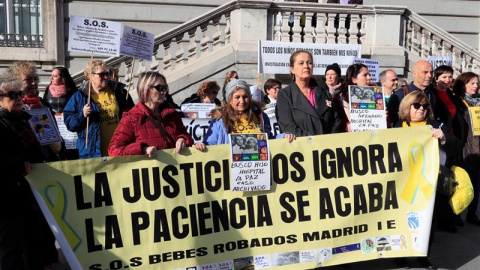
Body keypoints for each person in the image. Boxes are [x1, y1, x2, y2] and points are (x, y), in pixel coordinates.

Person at [394, 91, 461, 269]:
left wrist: (444, 138)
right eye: (417, 106)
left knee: (427, 221)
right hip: (403, 184)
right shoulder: (396, 127)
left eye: (425, 106)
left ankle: (423, 255)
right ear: (406, 107)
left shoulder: (436, 126)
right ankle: (400, 254)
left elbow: (456, 146)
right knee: (401, 220)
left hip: (428, 184)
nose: (421, 109)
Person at [0, 75, 60, 269]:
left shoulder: (24, 119)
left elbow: (35, 152)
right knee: (11, 249)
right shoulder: (2, 124)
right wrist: (20, 165)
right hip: (9, 197)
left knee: (33, 241)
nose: (18, 98)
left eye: (19, 93)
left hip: (30, 194)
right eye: (11, 94)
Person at [108, 71, 194, 157]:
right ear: (146, 89)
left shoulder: (172, 113)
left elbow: (186, 136)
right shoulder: (131, 118)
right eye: (160, 88)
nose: (164, 92)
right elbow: (114, 150)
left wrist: (182, 139)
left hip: (174, 169)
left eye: (165, 88)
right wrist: (143, 149)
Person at [64, 60, 134, 159]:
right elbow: (69, 123)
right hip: (93, 153)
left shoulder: (119, 92)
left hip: (119, 150)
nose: (106, 77)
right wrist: (82, 115)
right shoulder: (80, 96)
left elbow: (133, 115)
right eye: (101, 74)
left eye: (107, 74)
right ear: (90, 75)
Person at [195, 79, 294, 149]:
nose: (242, 101)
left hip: (258, 168)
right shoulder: (220, 119)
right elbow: (210, 144)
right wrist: (201, 146)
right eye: (237, 97)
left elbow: (269, 139)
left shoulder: (261, 116)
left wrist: (284, 136)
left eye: (245, 97)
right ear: (229, 100)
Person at [276, 50, 341, 136]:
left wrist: (328, 142)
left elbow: (336, 121)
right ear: (292, 69)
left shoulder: (324, 92)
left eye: (309, 63)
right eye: (301, 63)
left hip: (327, 146)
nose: (306, 66)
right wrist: (313, 142)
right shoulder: (285, 95)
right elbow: (287, 126)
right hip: (303, 146)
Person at [452, 72, 480, 226]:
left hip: (478, 147)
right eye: (472, 83)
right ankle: (456, 214)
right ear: (463, 84)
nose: (475, 86)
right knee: (461, 183)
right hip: (464, 147)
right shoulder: (458, 101)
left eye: (477, 83)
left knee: (477, 184)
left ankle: (472, 213)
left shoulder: (479, 102)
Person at [335, 63, 371, 131]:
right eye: (365, 75)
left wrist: (383, 117)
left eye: (369, 75)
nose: (369, 78)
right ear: (354, 80)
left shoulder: (376, 95)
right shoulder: (339, 98)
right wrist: (345, 124)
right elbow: (335, 122)